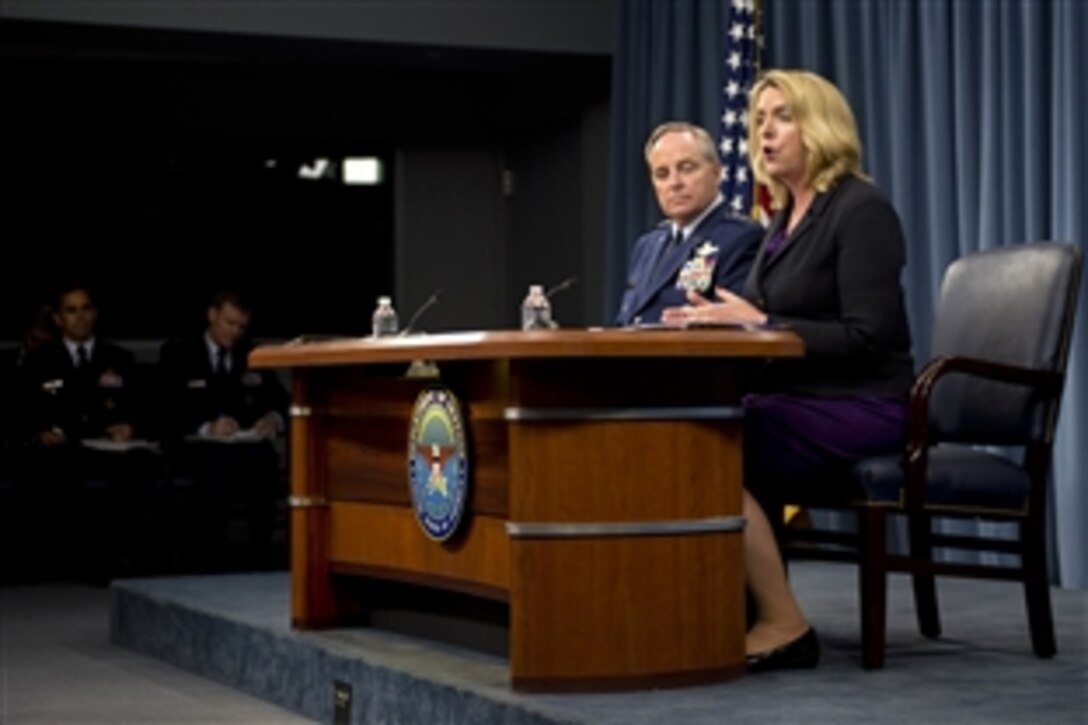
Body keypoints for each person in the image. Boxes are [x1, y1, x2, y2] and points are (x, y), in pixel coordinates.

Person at [663, 70, 915, 672]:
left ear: (820, 124)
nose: (765, 133)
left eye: (782, 116)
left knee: (710, 447)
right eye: (758, 120)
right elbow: (760, 318)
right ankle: (720, 611)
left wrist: (761, 324)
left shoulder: (860, 209)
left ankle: (783, 623)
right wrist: (715, 323)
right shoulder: (783, 219)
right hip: (796, 396)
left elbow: (868, 335)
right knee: (677, 431)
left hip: (863, 403)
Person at [16, 284, 161, 581]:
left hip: (110, 450)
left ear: (95, 314)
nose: (79, 317)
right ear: (58, 319)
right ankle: (76, 562)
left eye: (85, 309)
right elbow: (22, 414)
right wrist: (40, 434)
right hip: (64, 451)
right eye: (71, 311)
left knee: (140, 466)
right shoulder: (39, 362)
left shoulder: (119, 358)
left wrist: (132, 428)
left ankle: (130, 560)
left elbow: (144, 408)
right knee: (58, 472)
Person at [159, 289, 288, 571]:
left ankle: (259, 559)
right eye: (229, 323)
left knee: (264, 458)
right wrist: (206, 427)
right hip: (197, 448)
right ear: (212, 315)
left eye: (241, 326)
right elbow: (168, 408)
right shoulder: (180, 352)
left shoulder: (252, 354)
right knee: (218, 466)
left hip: (245, 446)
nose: (235, 332)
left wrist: (273, 419)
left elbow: (280, 401)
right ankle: (209, 561)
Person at [615, 121, 763, 326]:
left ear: (716, 172)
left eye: (687, 168)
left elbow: (733, 332)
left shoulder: (742, 239)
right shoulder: (647, 245)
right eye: (662, 174)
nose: (674, 183)